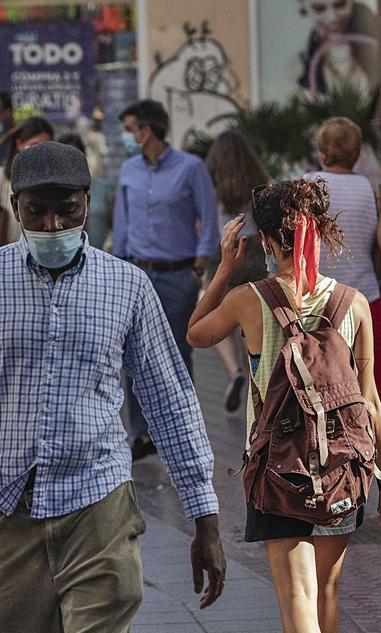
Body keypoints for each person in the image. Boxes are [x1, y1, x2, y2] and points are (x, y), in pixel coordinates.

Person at [0, 142, 225, 633]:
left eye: (67, 209)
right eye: (37, 210)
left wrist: (205, 517)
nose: (53, 223)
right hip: (7, 513)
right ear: (14, 207)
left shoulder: (127, 285)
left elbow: (170, 399)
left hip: (99, 506)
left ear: (87, 202)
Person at [187, 178, 381, 633]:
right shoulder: (353, 304)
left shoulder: (249, 298)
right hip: (344, 470)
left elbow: (195, 333)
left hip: (277, 471)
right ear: (321, 234)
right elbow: (369, 400)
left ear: (265, 241)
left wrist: (223, 269)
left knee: (298, 597)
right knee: (326, 592)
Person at [114, 99, 221, 460]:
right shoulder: (129, 169)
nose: (128, 137)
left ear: (147, 130)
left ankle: (180, 428)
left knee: (177, 353)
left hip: (178, 275)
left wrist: (199, 267)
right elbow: (122, 223)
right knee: (134, 354)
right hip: (136, 272)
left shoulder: (191, 168)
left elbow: (209, 218)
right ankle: (143, 434)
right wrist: (119, 264)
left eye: (131, 129)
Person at [306, 117, 381, 421]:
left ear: (322, 152)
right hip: (364, 302)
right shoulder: (373, 189)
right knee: (366, 392)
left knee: (320, 392)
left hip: (317, 302)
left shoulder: (306, 186)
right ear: (357, 153)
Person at [204, 131, 271, 412]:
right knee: (252, 318)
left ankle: (235, 371)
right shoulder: (259, 183)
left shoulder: (210, 185)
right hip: (256, 250)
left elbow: (205, 225)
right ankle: (259, 380)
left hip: (225, 253)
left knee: (215, 313)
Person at [0, 117, 54, 258]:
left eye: (46, 146)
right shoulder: (1, 177)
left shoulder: (55, 178)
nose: (40, 152)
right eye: (34, 145)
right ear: (19, 144)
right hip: (9, 255)